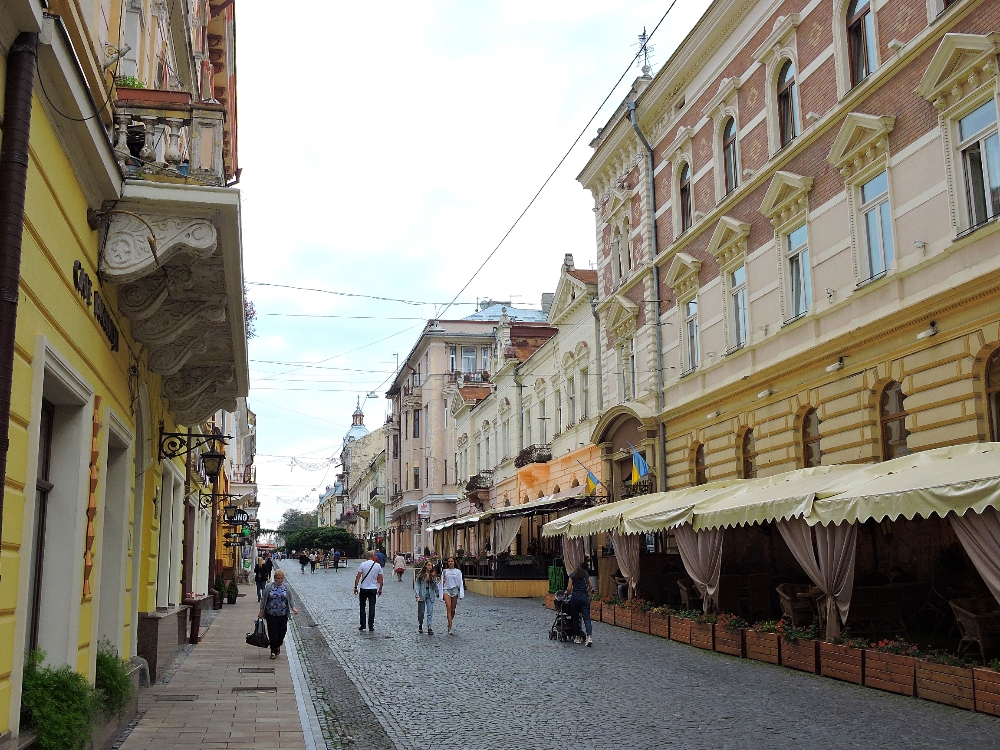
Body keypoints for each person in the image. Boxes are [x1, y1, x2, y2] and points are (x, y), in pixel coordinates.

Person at [259, 569, 299, 659]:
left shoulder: (286, 587)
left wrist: (293, 608)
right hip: (271, 613)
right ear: (275, 578)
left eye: (281, 578)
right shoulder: (269, 586)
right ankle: (273, 651)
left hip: (283, 613)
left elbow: (290, 598)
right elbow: (264, 599)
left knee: (282, 631)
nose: (280, 580)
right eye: (278, 578)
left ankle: (278, 644)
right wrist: (261, 610)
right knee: (272, 632)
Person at [353, 550, 384, 632]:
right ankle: (371, 626)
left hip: (364, 588)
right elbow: (381, 578)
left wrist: (355, 587)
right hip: (373, 588)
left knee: (362, 606)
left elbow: (358, 577)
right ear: (373, 556)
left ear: (367, 556)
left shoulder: (363, 565)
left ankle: (362, 625)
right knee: (372, 607)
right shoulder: (377, 565)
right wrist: (380, 588)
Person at [565, 563, 594, 646]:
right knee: (587, 618)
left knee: (575, 617)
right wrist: (587, 591)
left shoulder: (572, 575)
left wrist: (566, 592)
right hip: (584, 596)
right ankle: (589, 637)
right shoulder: (586, 574)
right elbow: (591, 585)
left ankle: (578, 637)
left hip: (575, 597)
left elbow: (569, 588)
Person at [440, 556, 465, 635]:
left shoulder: (458, 572)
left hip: (454, 590)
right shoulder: (445, 571)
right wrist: (441, 594)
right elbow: (441, 582)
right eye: (449, 561)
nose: (450, 563)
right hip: (446, 590)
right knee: (449, 607)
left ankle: (449, 622)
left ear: (454, 562)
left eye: (452, 561)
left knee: (453, 609)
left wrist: (461, 594)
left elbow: (460, 582)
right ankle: (451, 626)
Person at [413, 560, 438, 634]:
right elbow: (417, 585)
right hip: (422, 594)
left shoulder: (433, 575)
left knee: (430, 611)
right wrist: (417, 595)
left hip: (430, 594)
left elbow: (434, 586)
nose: (430, 567)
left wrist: (433, 578)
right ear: (426, 566)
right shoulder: (421, 575)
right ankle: (420, 624)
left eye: (431, 565)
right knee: (421, 612)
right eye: (428, 565)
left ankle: (429, 627)